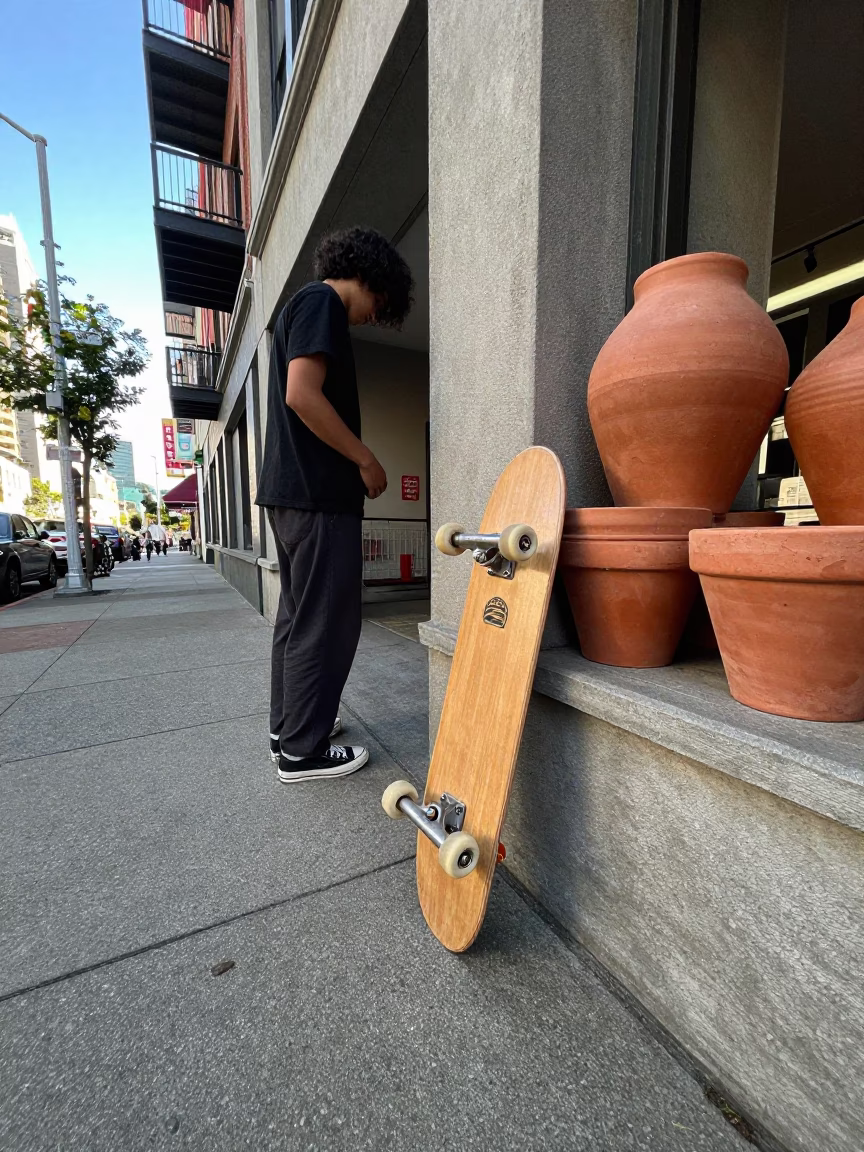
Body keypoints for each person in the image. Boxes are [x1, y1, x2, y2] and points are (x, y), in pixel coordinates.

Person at [255, 226, 413, 784]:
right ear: (368, 276)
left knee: (298, 618)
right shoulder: (321, 300)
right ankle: (303, 751)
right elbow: (303, 393)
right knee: (327, 623)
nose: (376, 315)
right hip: (320, 498)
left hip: (294, 496)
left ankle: (290, 729)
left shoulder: (302, 306)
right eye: (381, 302)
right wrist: (365, 458)